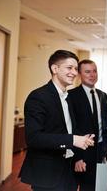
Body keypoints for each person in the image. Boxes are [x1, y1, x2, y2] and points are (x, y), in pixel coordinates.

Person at [19, 50, 95, 191]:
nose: (74, 72)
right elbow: (34, 138)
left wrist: (80, 140)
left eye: (75, 69)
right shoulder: (38, 97)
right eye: (69, 68)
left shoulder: (68, 97)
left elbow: (67, 128)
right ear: (55, 69)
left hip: (69, 171)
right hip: (47, 173)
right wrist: (72, 140)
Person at [68, 59, 107, 191]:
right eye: (87, 72)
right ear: (80, 74)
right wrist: (77, 158)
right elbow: (71, 128)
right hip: (82, 153)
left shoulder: (103, 95)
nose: (92, 75)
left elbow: (105, 125)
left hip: (100, 152)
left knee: (99, 187)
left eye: (94, 71)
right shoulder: (71, 96)